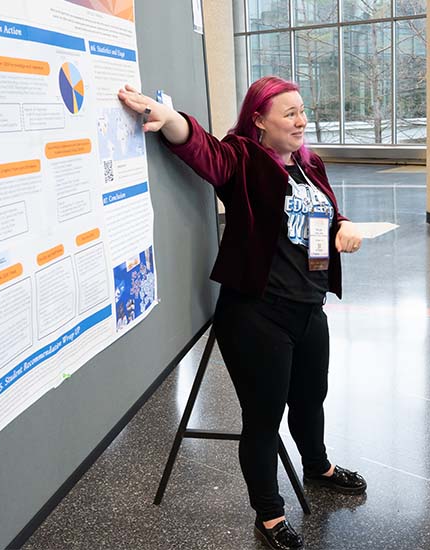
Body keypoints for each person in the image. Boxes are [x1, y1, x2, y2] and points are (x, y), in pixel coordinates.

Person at [118, 76, 366, 550]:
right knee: (263, 417)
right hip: (257, 313)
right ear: (259, 120)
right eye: (289, 113)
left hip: (308, 306)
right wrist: (168, 118)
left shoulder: (310, 165)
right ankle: (269, 516)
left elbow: (328, 215)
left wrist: (344, 223)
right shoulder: (244, 159)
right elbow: (204, 152)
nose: (301, 120)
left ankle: (317, 465)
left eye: (302, 110)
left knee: (312, 397)